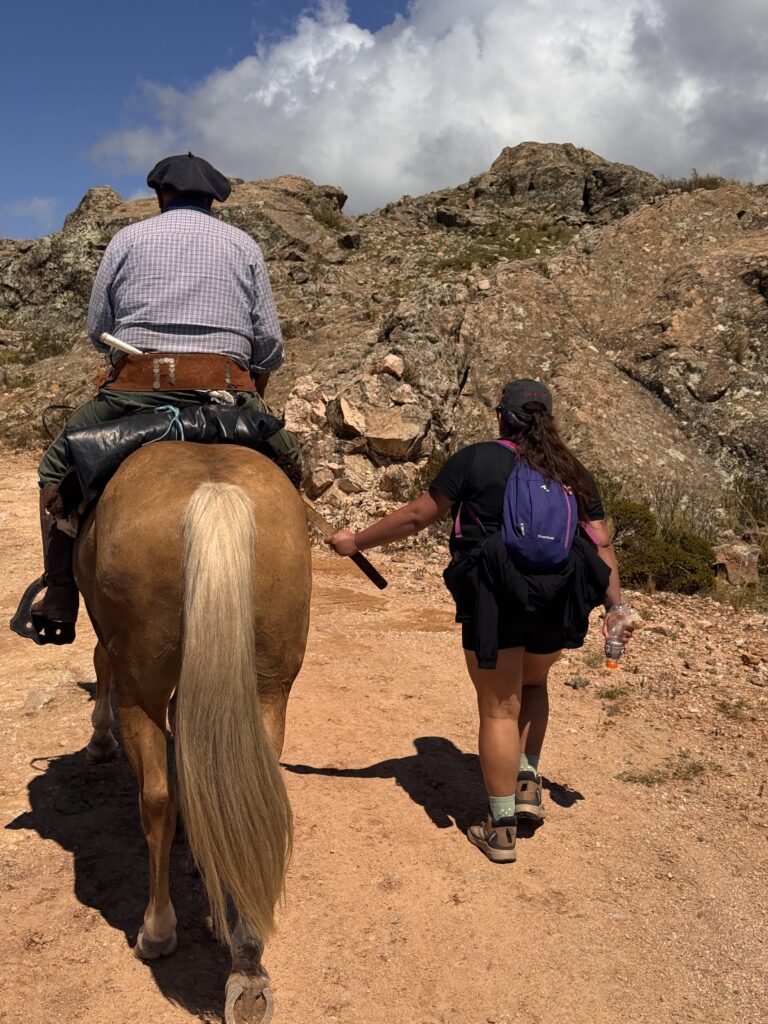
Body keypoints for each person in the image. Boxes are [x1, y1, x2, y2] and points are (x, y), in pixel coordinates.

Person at [325, 379, 633, 864]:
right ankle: (527, 785)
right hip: (557, 597)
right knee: (534, 685)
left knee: (498, 710)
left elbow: (416, 517)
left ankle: (501, 828)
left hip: (495, 596)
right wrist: (616, 607)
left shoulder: (477, 460)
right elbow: (600, 540)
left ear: (501, 416)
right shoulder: (572, 471)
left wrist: (356, 541)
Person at [29, 152, 300, 645]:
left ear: (161, 194)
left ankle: (62, 593)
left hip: (135, 394)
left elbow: (98, 329)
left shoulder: (127, 239)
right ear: (213, 200)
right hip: (228, 396)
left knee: (55, 468)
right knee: (293, 462)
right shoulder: (244, 246)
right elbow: (269, 348)